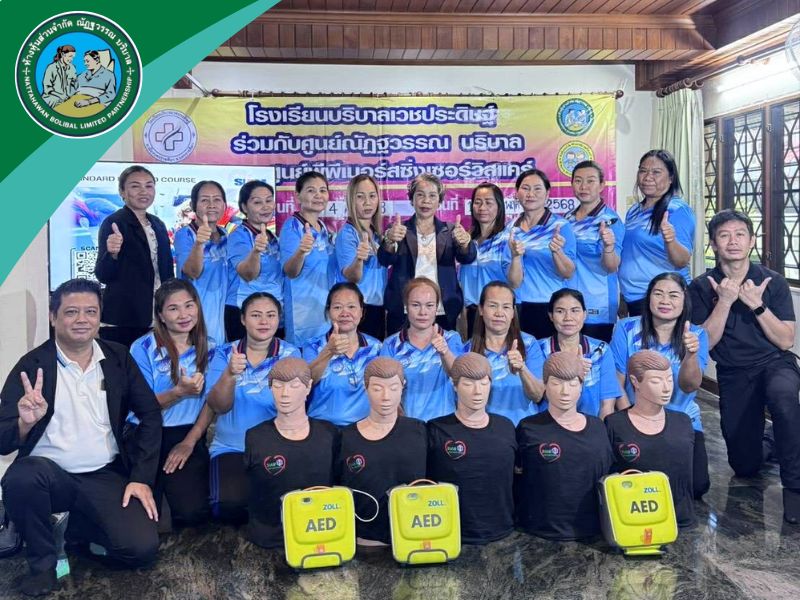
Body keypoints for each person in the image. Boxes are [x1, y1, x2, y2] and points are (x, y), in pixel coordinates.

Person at [0, 279, 161, 596]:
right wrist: (23, 422)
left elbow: (151, 414)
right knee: (21, 478)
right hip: (48, 475)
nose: (82, 320)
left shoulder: (117, 358)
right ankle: (43, 564)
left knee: (140, 549)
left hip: (103, 474)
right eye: (71, 312)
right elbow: (3, 441)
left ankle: (67, 530)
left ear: (100, 316)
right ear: (53, 317)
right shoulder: (31, 366)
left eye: (91, 311)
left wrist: (140, 477)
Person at [688, 209, 800, 523]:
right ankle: (775, 437)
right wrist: (724, 301)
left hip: (774, 364)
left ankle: (795, 488)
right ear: (713, 244)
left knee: (783, 397)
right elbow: (706, 343)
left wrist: (757, 305)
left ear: (751, 241)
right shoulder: (701, 287)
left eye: (740, 234)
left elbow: (785, 340)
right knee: (745, 466)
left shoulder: (772, 282)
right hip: (734, 372)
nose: (733, 241)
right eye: (724, 235)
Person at [611, 272, 709, 498]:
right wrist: (628, 421)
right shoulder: (626, 329)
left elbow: (690, 386)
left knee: (697, 486)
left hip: (681, 419)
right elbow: (617, 383)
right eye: (658, 294)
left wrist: (691, 355)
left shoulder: (697, 334)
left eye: (673, 295)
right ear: (649, 298)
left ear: (684, 301)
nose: (665, 301)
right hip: (636, 417)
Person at [204, 292, 300, 522]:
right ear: (243, 319)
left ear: (279, 319)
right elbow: (218, 406)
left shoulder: (290, 354)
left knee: (279, 506)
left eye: (271, 315)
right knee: (226, 507)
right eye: (256, 315)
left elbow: (295, 406)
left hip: (274, 445)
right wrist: (229, 374)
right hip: (231, 446)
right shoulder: (224, 353)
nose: (264, 321)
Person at [129, 279, 215, 526]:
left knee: (193, 514)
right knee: (142, 521)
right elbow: (140, 406)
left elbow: (211, 404)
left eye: (189, 305)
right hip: (145, 432)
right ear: (161, 315)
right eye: (173, 308)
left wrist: (189, 442)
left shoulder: (211, 348)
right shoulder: (142, 347)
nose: (184, 315)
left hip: (187, 432)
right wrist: (178, 392)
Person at [516, 352, 614, 540]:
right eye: (556, 383)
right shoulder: (529, 428)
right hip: (541, 534)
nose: (565, 391)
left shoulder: (599, 427)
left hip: (595, 533)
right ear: (545, 385)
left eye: (572, 384)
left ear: (581, 386)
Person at [244, 357, 338, 548]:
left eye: (294, 386)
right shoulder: (256, 437)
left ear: (308, 387)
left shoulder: (329, 434)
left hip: (320, 533)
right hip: (270, 536)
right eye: (278, 386)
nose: (285, 394)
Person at [426, 353, 516, 544]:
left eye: (484, 383)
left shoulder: (506, 427)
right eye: (468, 384)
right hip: (450, 535)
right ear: (454, 385)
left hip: (503, 532)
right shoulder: (435, 430)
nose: (477, 391)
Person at [335, 357, 426, 546]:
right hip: (365, 541)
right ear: (366, 388)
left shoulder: (420, 431)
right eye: (377, 389)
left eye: (393, 388)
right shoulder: (345, 438)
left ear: (403, 386)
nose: (386, 397)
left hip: (415, 537)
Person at [605, 350, 696, 528]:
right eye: (656, 381)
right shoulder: (615, 424)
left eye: (669, 379)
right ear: (635, 381)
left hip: (680, 520)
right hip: (631, 521)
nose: (666, 387)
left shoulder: (683, 423)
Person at [378, 173, 477, 335]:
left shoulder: (451, 230)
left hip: (442, 309)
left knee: (442, 350)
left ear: (440, 201)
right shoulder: (398, 229)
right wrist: (389, 240)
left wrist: (465, 243)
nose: (426, 201)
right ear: (412, 200)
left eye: (432, 196)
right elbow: (384, 259)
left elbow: (467, 257)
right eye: (420, 195)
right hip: (404, 309)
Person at [95, 165, 174, 348]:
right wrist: (112, 253)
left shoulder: (158, 224)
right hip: (125, 319)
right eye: (135, 186)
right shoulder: (114, 222)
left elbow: (167, 271)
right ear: (122, 192)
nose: (143, 191)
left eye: (149, 185)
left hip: (157, 317)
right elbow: (103, 275)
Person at [619, 150, 695, 317]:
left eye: (656, 172)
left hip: (661, 298)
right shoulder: (634, 210)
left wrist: (670, 240)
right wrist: (622, 295)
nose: (648, 177)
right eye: (643, 171)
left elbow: (682, 260)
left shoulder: (677, 209)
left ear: (671, 178)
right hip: (634, 297)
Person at [503, 168, 577, 339]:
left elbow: (568, 272)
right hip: (519, 306)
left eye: (537, 189)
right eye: (525, 188)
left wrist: (557, 251)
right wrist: (516, 257)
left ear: (547, 194)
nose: (531, 194)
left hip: (552, 305)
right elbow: (514, 282)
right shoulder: (511, 229)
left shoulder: (560, 226)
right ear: (517, 193)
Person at [380, 278, 463, 421]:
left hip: (445, 423)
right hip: (408, 424)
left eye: (429, 305)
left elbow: (459, 376)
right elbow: (384, 386)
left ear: (437, 308)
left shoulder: (451, 339)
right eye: (415, 305)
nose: (422, 312)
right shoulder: (391, 345)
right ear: (406, 306)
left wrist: (445, 352)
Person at [464, 281, 546, 425]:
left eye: (506, 307)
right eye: (492, 305)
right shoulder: (468, 350)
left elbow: (538, 395)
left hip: (524, 428)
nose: (499, 313)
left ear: (513, 312)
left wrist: (522, 368)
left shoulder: (529, 344)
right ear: (481, 309)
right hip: (485, 429)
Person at [302, 283, 382, 427]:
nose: (345, 313)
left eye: (351, 307)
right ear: (328, 312)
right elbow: (305, 383)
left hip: (366, 429)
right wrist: (328, 351)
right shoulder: (313, 346)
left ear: (361, 311)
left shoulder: (376, 347)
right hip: (321, 429)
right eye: (338, 307)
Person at [564, 161, 624, 342]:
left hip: (598, 302)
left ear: (602, 185)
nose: (583, 186)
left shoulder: (610, 220)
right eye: (578, 181)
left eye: (590, 181)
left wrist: (608, 247)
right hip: (569, 302)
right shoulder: (568, 219)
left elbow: (612, 266)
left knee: (594, 355)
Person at [539, 289, 621, 420]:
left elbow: (607, 404)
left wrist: (599, 430)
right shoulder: (539, 349)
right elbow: (538, 394)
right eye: (560, 311)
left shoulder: (600, 350)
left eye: (575, 310)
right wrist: (572, 371)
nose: (568, 318)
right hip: (548, 425)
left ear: (584, 314)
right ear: (551, 316)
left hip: (591, 426)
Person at [280, 171, 336, 345]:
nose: (318, 195)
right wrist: (301, 251)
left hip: (324, 309)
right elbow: (290, 271)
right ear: (298, 196)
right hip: (302, 313)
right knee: (302, 359)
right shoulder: (292, 227)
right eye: (311, 190)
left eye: (323, 190)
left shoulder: (323, 228)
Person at [174, 180, 231, 345]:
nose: (211, 205)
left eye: (217, 199)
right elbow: (192, 272)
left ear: (224, 205)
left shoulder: (225, 235)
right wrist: (199, 244)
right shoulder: (185, 235)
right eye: (205, 200)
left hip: (222, 317)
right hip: (196, 316)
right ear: (193, 205)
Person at [227, 180, 283, 342]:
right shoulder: (239, 235)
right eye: (257, 202)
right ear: (244, 207)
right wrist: (256, 251)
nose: (265, 207)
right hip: (243, 311)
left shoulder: (273, 237)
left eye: (269, 200)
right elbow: (247, 274)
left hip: (272, 310)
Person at [335, 174, 388, 339]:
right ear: (351, 199)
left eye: (372, 196)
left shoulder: (376, 234)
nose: (367, 202)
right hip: (358, 309)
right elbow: (352, 276)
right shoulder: (347, 234)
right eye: (360, 197)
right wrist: (359, 259)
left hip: (378, 308)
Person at [459, 183, 509, 339]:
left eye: (488, 202)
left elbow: (515, 280)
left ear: (499, 207)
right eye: (478, 202)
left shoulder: (507, 239)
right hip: (469, 313)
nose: (482, 208)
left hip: (496, 314)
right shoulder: (467, 239)